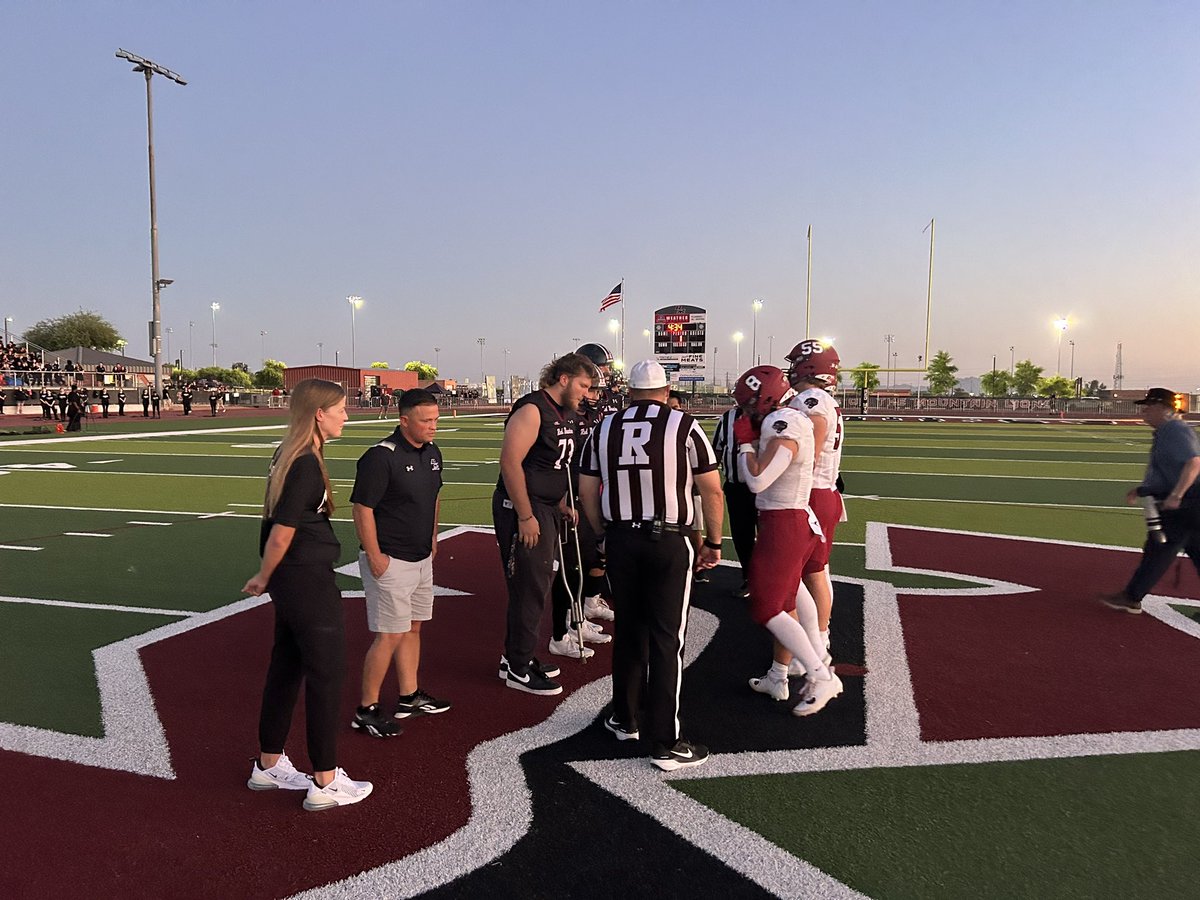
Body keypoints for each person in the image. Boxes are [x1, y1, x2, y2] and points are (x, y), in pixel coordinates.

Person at [579, 359, 724, 771]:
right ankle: (665, 741)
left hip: (622, 537)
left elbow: (588, 488)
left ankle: (625, 718)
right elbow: (711, 490)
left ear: (629, 393)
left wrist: (603, 533)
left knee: (629, 630)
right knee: (666, 639)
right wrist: (712, 540)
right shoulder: (683, 425)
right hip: (669, 540)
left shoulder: (604, 428)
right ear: (665, 390)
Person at [241, 378, 372, 811]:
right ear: (319, 413)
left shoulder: (292, 454)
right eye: (341, 409)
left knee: (287, 666)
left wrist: (271, 577)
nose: (346, 416)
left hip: (294, 578)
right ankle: (325, 780)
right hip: (304, 580)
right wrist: (264, 575)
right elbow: (282, 531)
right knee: (328, 673)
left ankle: (268, 765)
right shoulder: (303, 463)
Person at [733, 366, 842, 716]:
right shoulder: (789, 416)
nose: (747, 412)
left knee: (766, 607)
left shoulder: (785, 422)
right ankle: (816, 659)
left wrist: (744, 445)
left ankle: (819, 674)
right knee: (794, 592)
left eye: (750, 405)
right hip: (791, 520)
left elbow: (758, 480)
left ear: (763, 400)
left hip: (786, 524)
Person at [493, 352, 596, 695]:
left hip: (549, 506)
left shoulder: (565, 413)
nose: (587, 392)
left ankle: (515, 657)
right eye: (583, 384)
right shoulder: (533, 409)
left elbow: (555, 465)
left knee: (538, 583)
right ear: (563, 378)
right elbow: (510, 463)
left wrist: (563, 501)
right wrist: (525, 515)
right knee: (530, 587)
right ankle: (518, 667)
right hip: (526, 508)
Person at [351, 389, 449, 738]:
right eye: (426, 421)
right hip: (391, 559)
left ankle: (409, 695)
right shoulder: (381, 457)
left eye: (435, 419)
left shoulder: (433, 453)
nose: (432, 426)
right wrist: (375, 556)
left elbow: (434, 497)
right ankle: (367, 708)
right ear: (404, 420)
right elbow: (362, 509)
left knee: (413, 628)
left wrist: (434, 537)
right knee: (389, 635)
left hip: (421, 556)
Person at [777, 340, 845, 673]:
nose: (790, 370)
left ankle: (817, 643)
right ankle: (818, 639)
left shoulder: (812, 401)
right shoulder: (822, 400)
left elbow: (809, 454)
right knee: (815, 572)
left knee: (809, 573)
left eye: (795, 364)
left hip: (812, 493)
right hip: (822, 491)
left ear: (807, 367)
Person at [1100, 388, 1200, 613]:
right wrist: (1144, 489)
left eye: (1149, 406)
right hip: (1191, 503)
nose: (1143, 410)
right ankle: (1132, 595)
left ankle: (1132, 596)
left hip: (1187, 503)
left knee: (1159, 549)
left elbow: (1194, 463)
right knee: (1194, 549)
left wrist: (1176, 495)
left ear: (1165, 409)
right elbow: (1170, 470)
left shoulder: (1173, 430)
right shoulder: (1170, 430)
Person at [712, 403, 757, 598]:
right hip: (736, 487)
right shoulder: (727, 418)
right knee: (741, 536)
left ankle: (769, 581)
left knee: (768, 538)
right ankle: (749, 578)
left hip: (764, 489)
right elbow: (717, 451)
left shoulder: (771, 418)